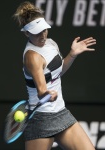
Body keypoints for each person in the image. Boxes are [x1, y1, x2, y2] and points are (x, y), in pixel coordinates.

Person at [13, 1, 96, 150]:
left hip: (60, 112)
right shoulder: (32, 57)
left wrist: (72, 55)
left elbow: (57, 73)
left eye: (44, 29)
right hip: (40, 119)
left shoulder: (51, 43)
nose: (43, 35)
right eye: (37, 32)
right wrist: (47, 94)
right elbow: (41, 91)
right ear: (26, 33)